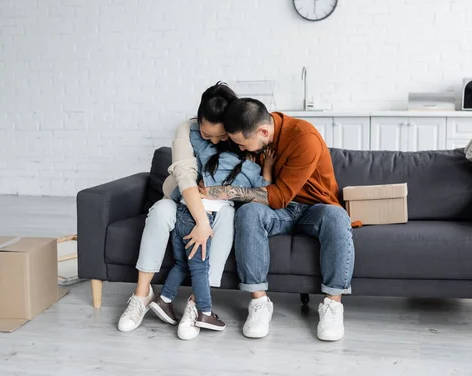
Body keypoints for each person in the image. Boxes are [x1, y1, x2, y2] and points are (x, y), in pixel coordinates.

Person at [200, 98, 355, 342]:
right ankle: (259, 302)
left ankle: (333, 305)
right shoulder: (258, 136)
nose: (241, 149)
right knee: (248, 212)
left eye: (243, 144)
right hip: (279, 211)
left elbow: (280, 195)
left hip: (314, 207)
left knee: (337, 216)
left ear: (263, 131)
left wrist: (224, 191)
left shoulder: (305, 138)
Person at [117, 82, 239, 332]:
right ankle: (142, 295)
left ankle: (199, 304)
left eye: (222, 137)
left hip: (219, 203)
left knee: (226, 216)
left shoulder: (240, 132)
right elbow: (185, 179)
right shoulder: (186, 129)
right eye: (207, 136)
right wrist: (202, 224)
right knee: (161, 210)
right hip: (181, 196)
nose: (215, 141)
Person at [149, 122, 276, 340]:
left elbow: (197, 137)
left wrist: (198, 122)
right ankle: (205, 313)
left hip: (184, 211)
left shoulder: (209, 156)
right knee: (200, 268)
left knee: (182, 263)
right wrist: (266, 167)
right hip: (202, 219)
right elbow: (266, 191)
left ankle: (164, 300)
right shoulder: (251, 170)